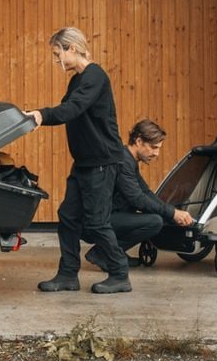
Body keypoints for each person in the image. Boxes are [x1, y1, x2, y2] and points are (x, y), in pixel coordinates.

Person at [25, 27, 131, 294]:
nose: (55, 59)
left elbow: (72, 109)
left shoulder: (95, 76)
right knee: (69, 217)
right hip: (84, 162)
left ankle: (120, 274)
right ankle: (68, 275)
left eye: (56, 53)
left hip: (102, 162)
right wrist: (40, 116)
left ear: (71, 48)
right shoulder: (77, 80)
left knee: (97, 222)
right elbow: (68, 111)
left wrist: (42, 115)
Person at [86, 119, 194, 270]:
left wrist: (171, 212)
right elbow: (137, 199)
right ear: (138, 141)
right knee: (154, 221)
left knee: (158, 214)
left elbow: (146, 192)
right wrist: (171, 213)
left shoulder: (127, 159)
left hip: (107, 215)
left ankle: (115, 253)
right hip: (95, 221)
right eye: (153, 147)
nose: (156, 153)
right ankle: (104, 253)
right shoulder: (123, 161)